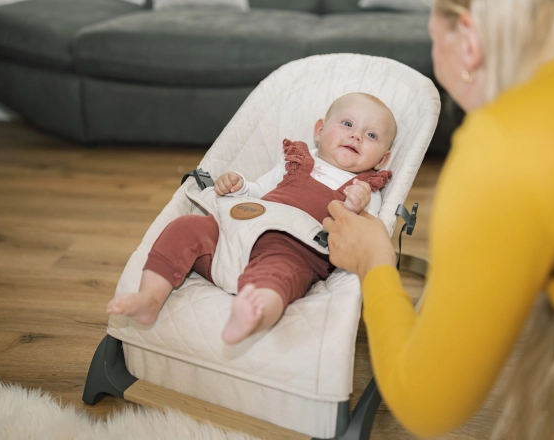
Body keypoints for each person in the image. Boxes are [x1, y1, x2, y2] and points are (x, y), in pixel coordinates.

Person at [322, 1, 554, 439]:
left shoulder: (505, 148)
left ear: (468, 37)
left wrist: (373, 260)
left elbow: (427, 403)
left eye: (432, 25)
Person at [106, 92, 395, 345]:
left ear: (382, 159)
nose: (356, 135)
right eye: (347, 124)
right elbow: (259, 190)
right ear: (319, 130)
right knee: (187, 227)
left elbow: (366, 236)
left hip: (295, 251)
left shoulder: (367, 188)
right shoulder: (296, 161)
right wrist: (239, 185)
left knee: (280, 276)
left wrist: (358, 207)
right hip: (239, 235)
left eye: (371, 135)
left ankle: (252, 317)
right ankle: (150, 298)